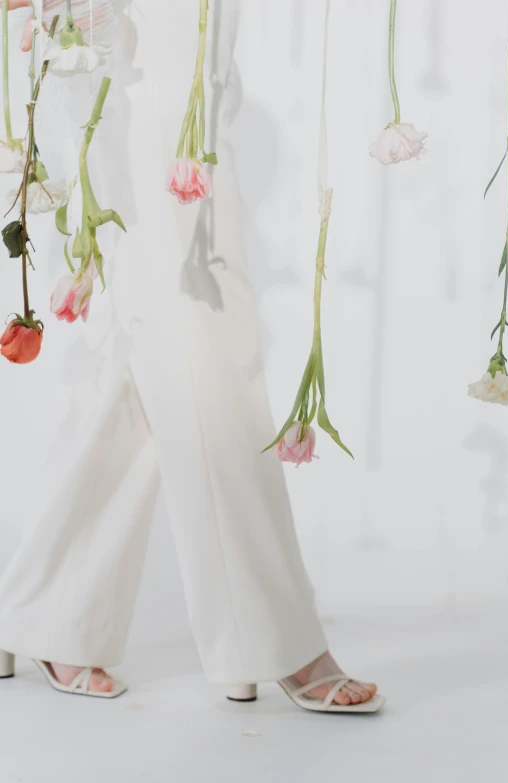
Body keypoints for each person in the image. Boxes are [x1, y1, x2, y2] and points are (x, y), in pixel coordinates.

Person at [0, 0, 382, 712]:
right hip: (146, 33)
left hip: (184, 33)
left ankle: (49, 607)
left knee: (142, 337)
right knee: (206, 320)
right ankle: (270, 631)